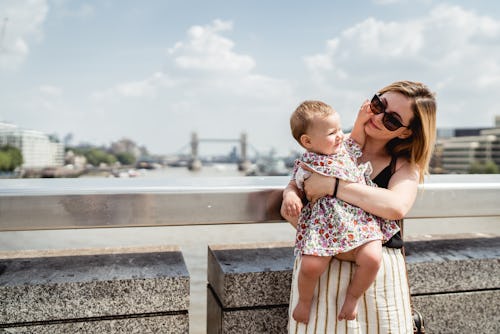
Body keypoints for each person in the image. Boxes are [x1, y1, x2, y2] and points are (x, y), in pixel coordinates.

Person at [282, 81, 437, 333]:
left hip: (377, 276)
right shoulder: (328, 149)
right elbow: (299, 196)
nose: (377, 116)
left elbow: (396, 207)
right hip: (320, 269)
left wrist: (333, 186)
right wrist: (292, 198)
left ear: (406, 133)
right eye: (378, 104)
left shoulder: (404, 166)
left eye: (392, 120)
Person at [286, 100, 400, 324]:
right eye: (331, 132)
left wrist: (360, 119)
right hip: (325, 226)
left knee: (372, 258)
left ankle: (352, 298)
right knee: (311, 267)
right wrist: (290, 196)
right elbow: (294, 185)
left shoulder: (346, 150)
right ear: (307, 141)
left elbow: (356, 137)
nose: (340, 135)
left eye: (339, 129)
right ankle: (305, 301)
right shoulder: (306, 164)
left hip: (360, 221)